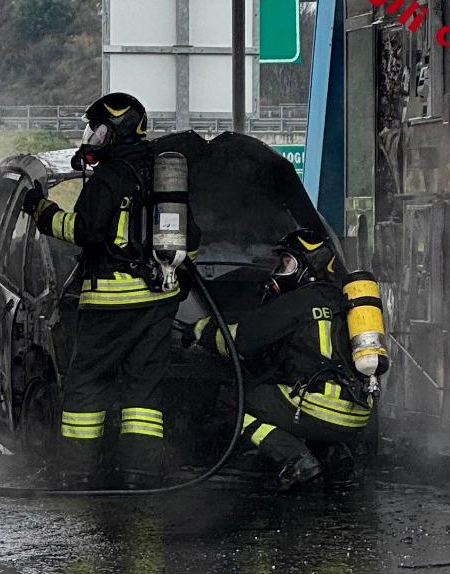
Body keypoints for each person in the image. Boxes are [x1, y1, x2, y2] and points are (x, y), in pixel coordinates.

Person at [25, 92, 198, 489]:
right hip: (158, 302)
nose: (92, 136)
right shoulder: (162, 175)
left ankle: (78, 472)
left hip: (110, 301)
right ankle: (140, 473)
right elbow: (194, 236)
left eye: (99, 129)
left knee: (87, 386)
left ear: (116, 131)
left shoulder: (109, 177)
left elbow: (83, 232)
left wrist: (42, 212)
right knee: (143, 391)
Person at [191, 228, 383, 490]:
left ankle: (295, 459)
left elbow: (239, 341)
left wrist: (202, 331)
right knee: (292, 398)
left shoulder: (296, 302)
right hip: (357, 414)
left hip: (317, 407)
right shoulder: (344, 300)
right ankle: (335, 455)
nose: (280, 271)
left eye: (287, 263)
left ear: (307, 266)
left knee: (231, 400)